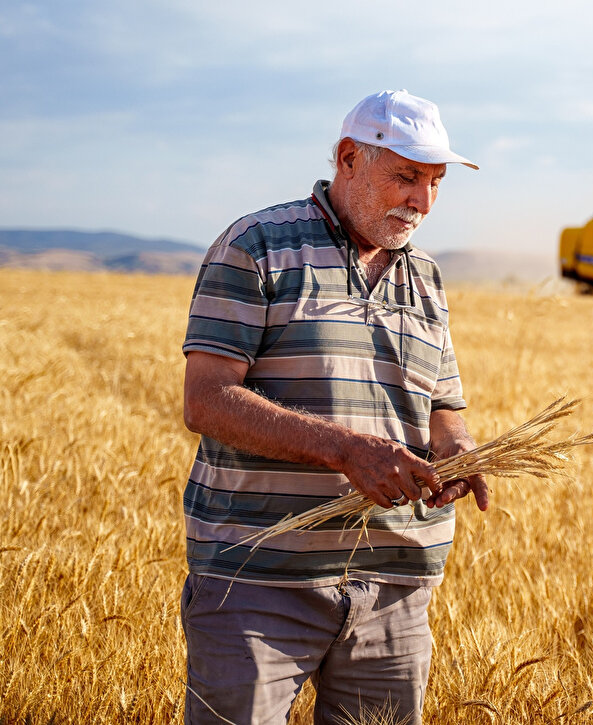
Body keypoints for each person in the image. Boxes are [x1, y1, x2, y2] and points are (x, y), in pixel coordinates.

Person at [179, 90, 488, 725]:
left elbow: (444, 406)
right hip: (260, 581)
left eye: (435, 182)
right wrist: (346, 450)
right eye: (406, 176)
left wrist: (457, 449)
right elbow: (207, 400)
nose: (422, 202)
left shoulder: (425, 277)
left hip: (395, 585)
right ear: (349, 158)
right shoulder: (258, 246)